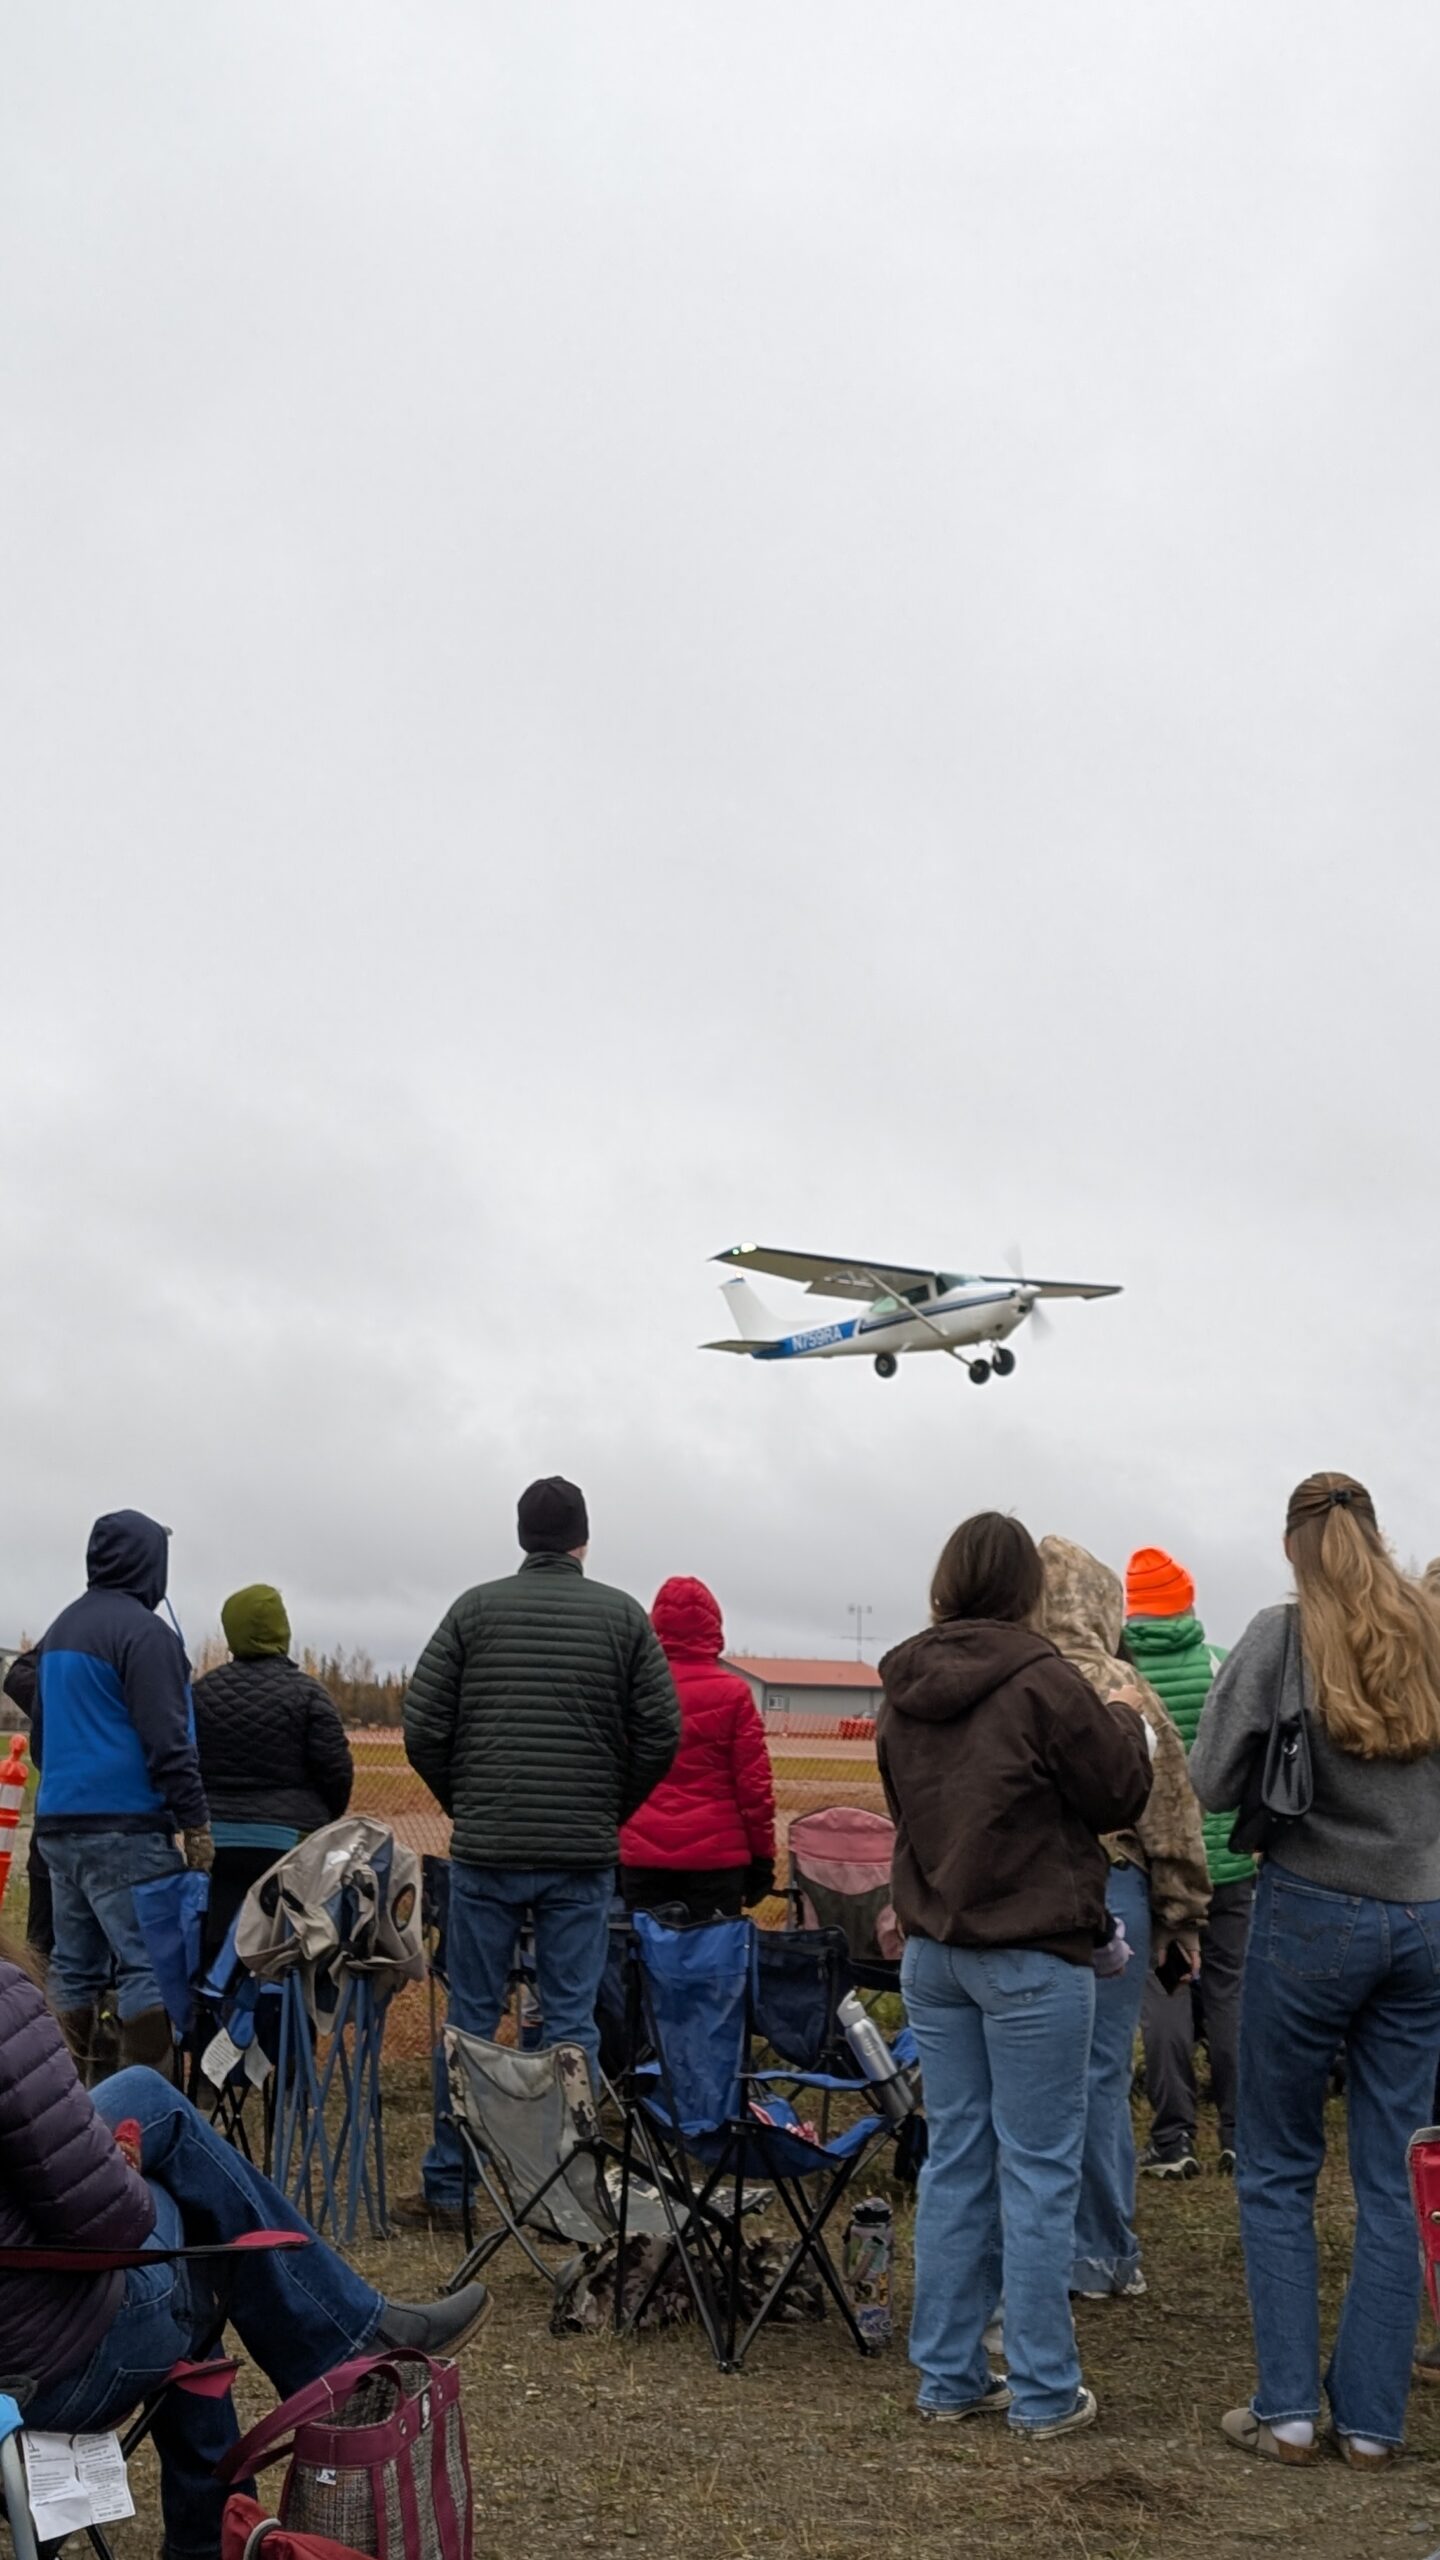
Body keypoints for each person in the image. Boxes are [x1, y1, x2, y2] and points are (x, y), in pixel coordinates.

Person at [0, 1929, 487, 2560]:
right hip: (36, 2378)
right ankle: (335, 2355)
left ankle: (339, 2346)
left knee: (147, 2098)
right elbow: (108, 2229)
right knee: (202, 2246)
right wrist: (124, 2176)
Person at [877, 1511, 1153, 2440]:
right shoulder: (1045, 1681)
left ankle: (950, 2376)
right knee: (1039, 2171)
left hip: (934, 1952)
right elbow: (1117, 1793)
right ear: (1027, 1590)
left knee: (958, 2160)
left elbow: (904, 1813)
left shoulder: (902, 1687)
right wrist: (1126, 1725)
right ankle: (1040, 2390)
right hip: (1034, 1951)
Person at [1190, 1471, 1440, 2469]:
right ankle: (1374, 2425)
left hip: (1309, 1911)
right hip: (1425, 1919)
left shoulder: (1280, 1634)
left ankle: (1289, 2412)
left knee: (1280, 2163)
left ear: (1294, 1547)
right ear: (1377, 1538)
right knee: (1391, 2175)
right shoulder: (1431, 1628)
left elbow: (1210, 1777)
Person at [400, 1476, 680, 2224]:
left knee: (470, 2017)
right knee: (570, 2024)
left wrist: (469, 1802)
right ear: (582, 1539)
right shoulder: (622, 1616)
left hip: (488, 1853)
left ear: (524, 1538)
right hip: (580, 1857)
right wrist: (607, 1807)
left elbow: (421, 1724)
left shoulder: (473, 1610)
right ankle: (566, 2192)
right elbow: (662, 1731)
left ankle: (450, 2182)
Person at [1037, 1537, 1209, 2302]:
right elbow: (1170, 1808)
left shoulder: (1017, 1679)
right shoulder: (1123, 1684)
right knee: (1102, 2073)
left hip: (1021, 1893)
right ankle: (1103, 2254)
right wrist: (1182, 1912)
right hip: (1115, 1887)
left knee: (1032, 2076)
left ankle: (1034, 2251)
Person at [31, 1511, 212, 2080]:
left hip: (59, 1824)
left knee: (73, 1968)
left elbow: (41, 1737)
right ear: (151, 1563)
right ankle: (144, 2118)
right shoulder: (146, 1634)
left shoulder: (59, 1630)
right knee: (148, 1968)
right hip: (128, 1828)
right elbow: (169, 1737)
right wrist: (196, 1823)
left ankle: (67, 2109)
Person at [1126, 1546, 1252, 2180]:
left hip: (1159, 1867)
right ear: (1187, 1600)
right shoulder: (1220, 1663)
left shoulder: (1123, 1671)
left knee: (1167, 1992)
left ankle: (1174, 2140)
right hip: (1228, 1865)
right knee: (1230, 1992)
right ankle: (1237, 2133)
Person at [191, 1584, 354, 1963]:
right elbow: (336, 1770)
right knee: (291, 1947)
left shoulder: (201, 1693)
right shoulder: (309, 1694)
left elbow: (185, 1763)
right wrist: (321, 1819)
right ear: (283, 1629)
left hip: (218, 1842)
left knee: (218, 1942)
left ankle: (217, 2009)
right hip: (288, 1843)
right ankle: (286, 2013)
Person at [617, 1576, 776, 1921]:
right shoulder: (734, 1693)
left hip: (641, 1853)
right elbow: (754, 1788)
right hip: (716, 1857)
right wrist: (762, 1857)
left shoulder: (633, 1688)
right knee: (711, 1962)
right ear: (714, 1626)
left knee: (640, 1960)